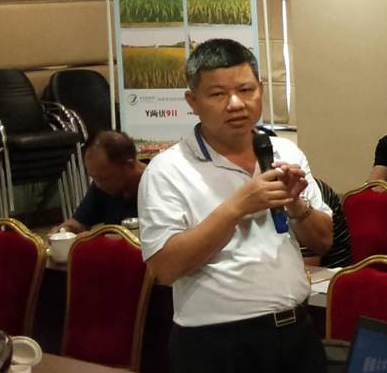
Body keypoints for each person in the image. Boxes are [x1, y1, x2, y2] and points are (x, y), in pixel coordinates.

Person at [138, 38, 333, 373]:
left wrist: (295, 203)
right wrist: (237, 207)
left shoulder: (285, 152)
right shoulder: (167, 170)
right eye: (218, 94)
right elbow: (165, 268)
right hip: (214, 345)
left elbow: (323, 240)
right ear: (193, 101)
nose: (236, 104)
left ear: (260, 89)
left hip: (294, 332)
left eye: (246, 90)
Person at [52, 130, 145, 233]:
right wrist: (64, 231)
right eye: (94, 177)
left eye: (104, 178)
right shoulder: (102, 185)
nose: (98, 185)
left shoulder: (154, 185)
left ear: (129, 166)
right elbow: (78, 223)